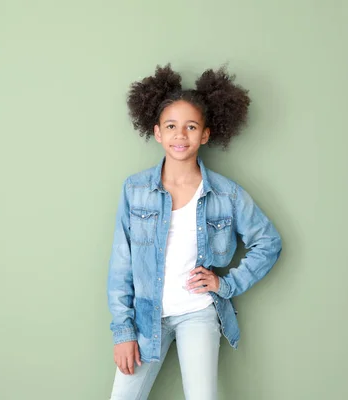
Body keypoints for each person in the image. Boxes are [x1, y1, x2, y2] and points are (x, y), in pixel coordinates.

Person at [106, 64, 282, 400]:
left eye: (190, 127)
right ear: (157, 132)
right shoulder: (135, 190)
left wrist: (226, 284)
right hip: (146, 318)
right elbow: (121, 265)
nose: (180, 135)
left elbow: (268, 242)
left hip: (198, 313)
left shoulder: (226, 194)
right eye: (171, 126)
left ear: (205, 134)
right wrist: (123, 332)